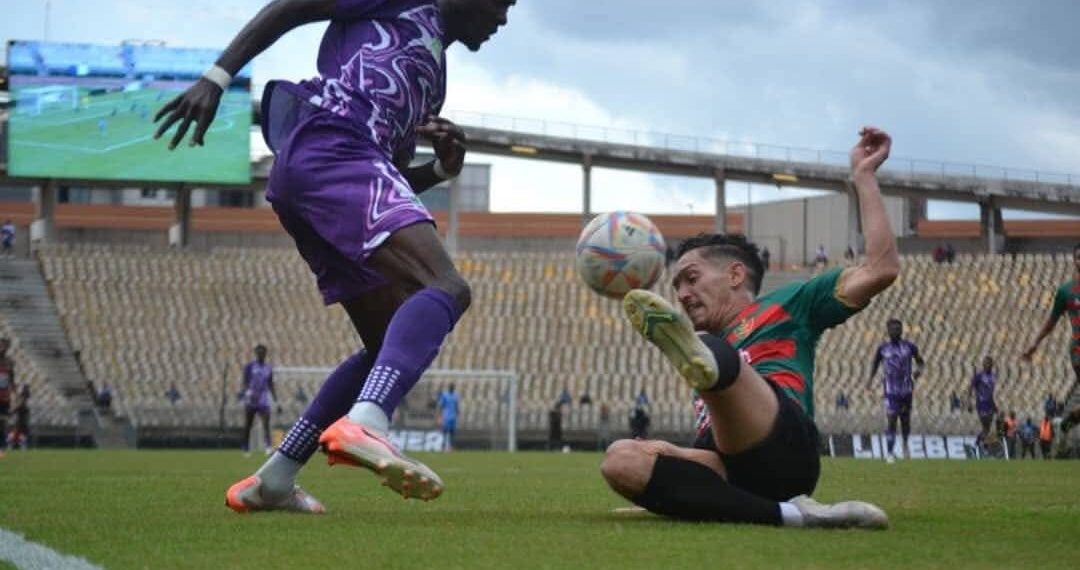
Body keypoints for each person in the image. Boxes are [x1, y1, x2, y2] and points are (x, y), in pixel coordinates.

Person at [155, 0, 516, 513]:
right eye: (502, 2)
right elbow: (292, 7)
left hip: (316, 171)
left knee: (383, 345)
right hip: (331, 144)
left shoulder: (433, 80)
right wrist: (218, 77)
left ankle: (275, 479)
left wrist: (440, 171)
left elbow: (386, 176)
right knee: (446, 287)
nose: (502, 19)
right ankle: (368, 420)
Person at [600, 127, 896, 529]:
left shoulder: (790, 304)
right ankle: (792, 516)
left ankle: (686, 495)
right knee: (620, 459)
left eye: (691, 278)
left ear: (735, 275)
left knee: (712, 353)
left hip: (785, 448)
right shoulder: (701, 347)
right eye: (677, 286)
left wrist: (863, 176)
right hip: (723, 462)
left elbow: (881, 269)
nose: (682, 294)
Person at [1022, 243, 1080, 433]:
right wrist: (1035, 343)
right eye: (1078, 257)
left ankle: (1068, 422)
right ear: (1074, 261)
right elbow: (1051, 322)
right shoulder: (1066, 291)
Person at [866, 318, 925, 462]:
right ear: (888, 331)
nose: (896, 331)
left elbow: (921, 362)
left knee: (905, 421)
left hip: (906, 390)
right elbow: (875, 364)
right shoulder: (883, 348)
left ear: (902, 330)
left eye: (898, 329)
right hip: (890, 391)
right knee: (891, 420)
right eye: (893, 329)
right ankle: (890, 452)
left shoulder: (909, 347)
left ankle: (905, 444)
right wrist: (870, 380)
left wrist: (918, 372)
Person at [240, 345, 279, 456]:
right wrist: (247, 391)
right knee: (248, 424)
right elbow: (245, 381)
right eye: (259, 352)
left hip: (263, 399)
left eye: (263, 352)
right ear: (256, 353)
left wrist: (276, 400)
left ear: (265, 354)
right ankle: (246, 447)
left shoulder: (268, 368)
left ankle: (268, 446)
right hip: (251, 399)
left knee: (266, 423)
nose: (261, 354)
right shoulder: (250, 366)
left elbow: (270, 384)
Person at [969, 356, 998, 447]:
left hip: (990, 404)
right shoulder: (979, 376)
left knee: (987, 429)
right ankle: (980, 444)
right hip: (981, 404)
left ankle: (979, 444)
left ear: (992, 365)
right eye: (985, 363)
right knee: (985, 427)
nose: (987, 365)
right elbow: (971, 388)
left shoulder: (993, 377)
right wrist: (969, 402)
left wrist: (994, 405)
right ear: (983, 364)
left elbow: (991, 392)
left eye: (989, 363)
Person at [0, 338, 14, 456]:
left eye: (4, 346)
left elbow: (12, 380)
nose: (2, 348)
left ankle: (2, 447)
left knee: (3, 422)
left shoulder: (9, 362)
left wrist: (14, 393)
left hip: (5, 397)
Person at [436, 383, 459, 451]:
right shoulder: (444, 395)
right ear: (449, 388)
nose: (452, 388)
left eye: (453, 387)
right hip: (446, 416)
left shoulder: (456, 395)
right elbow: (440, 406)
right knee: (445, 432)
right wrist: (439, 416)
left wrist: (457, 413)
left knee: (452, 433)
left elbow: (456, 405)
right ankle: (443, 447)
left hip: (453, 416)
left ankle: (451, 447)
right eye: (451, 387)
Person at [8, 385, 30, 451]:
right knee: (18, 433)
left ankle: (13, 444)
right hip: (20, 421)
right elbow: (17, 407)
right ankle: (11, 444)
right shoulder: (22, 399)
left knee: (20, 434)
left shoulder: (23, 399)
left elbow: (17, 408)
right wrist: (11, 412)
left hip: (21, 421)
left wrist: (11, 412)